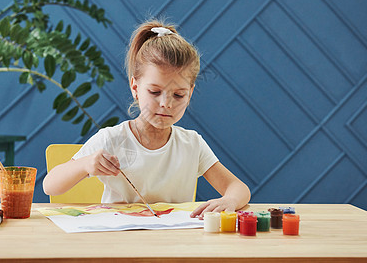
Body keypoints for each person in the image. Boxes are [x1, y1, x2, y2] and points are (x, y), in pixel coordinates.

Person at [43, 19, 250, 219]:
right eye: (154, 92)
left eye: (178, 95)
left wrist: (230, 200)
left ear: (190, 93)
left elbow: (239, 188)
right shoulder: (111, 139)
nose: (166, 104)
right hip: (120, 246)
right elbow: (50, 185)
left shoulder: (192, 144)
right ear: (135, 88)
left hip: (173, 248)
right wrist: (86, 164)